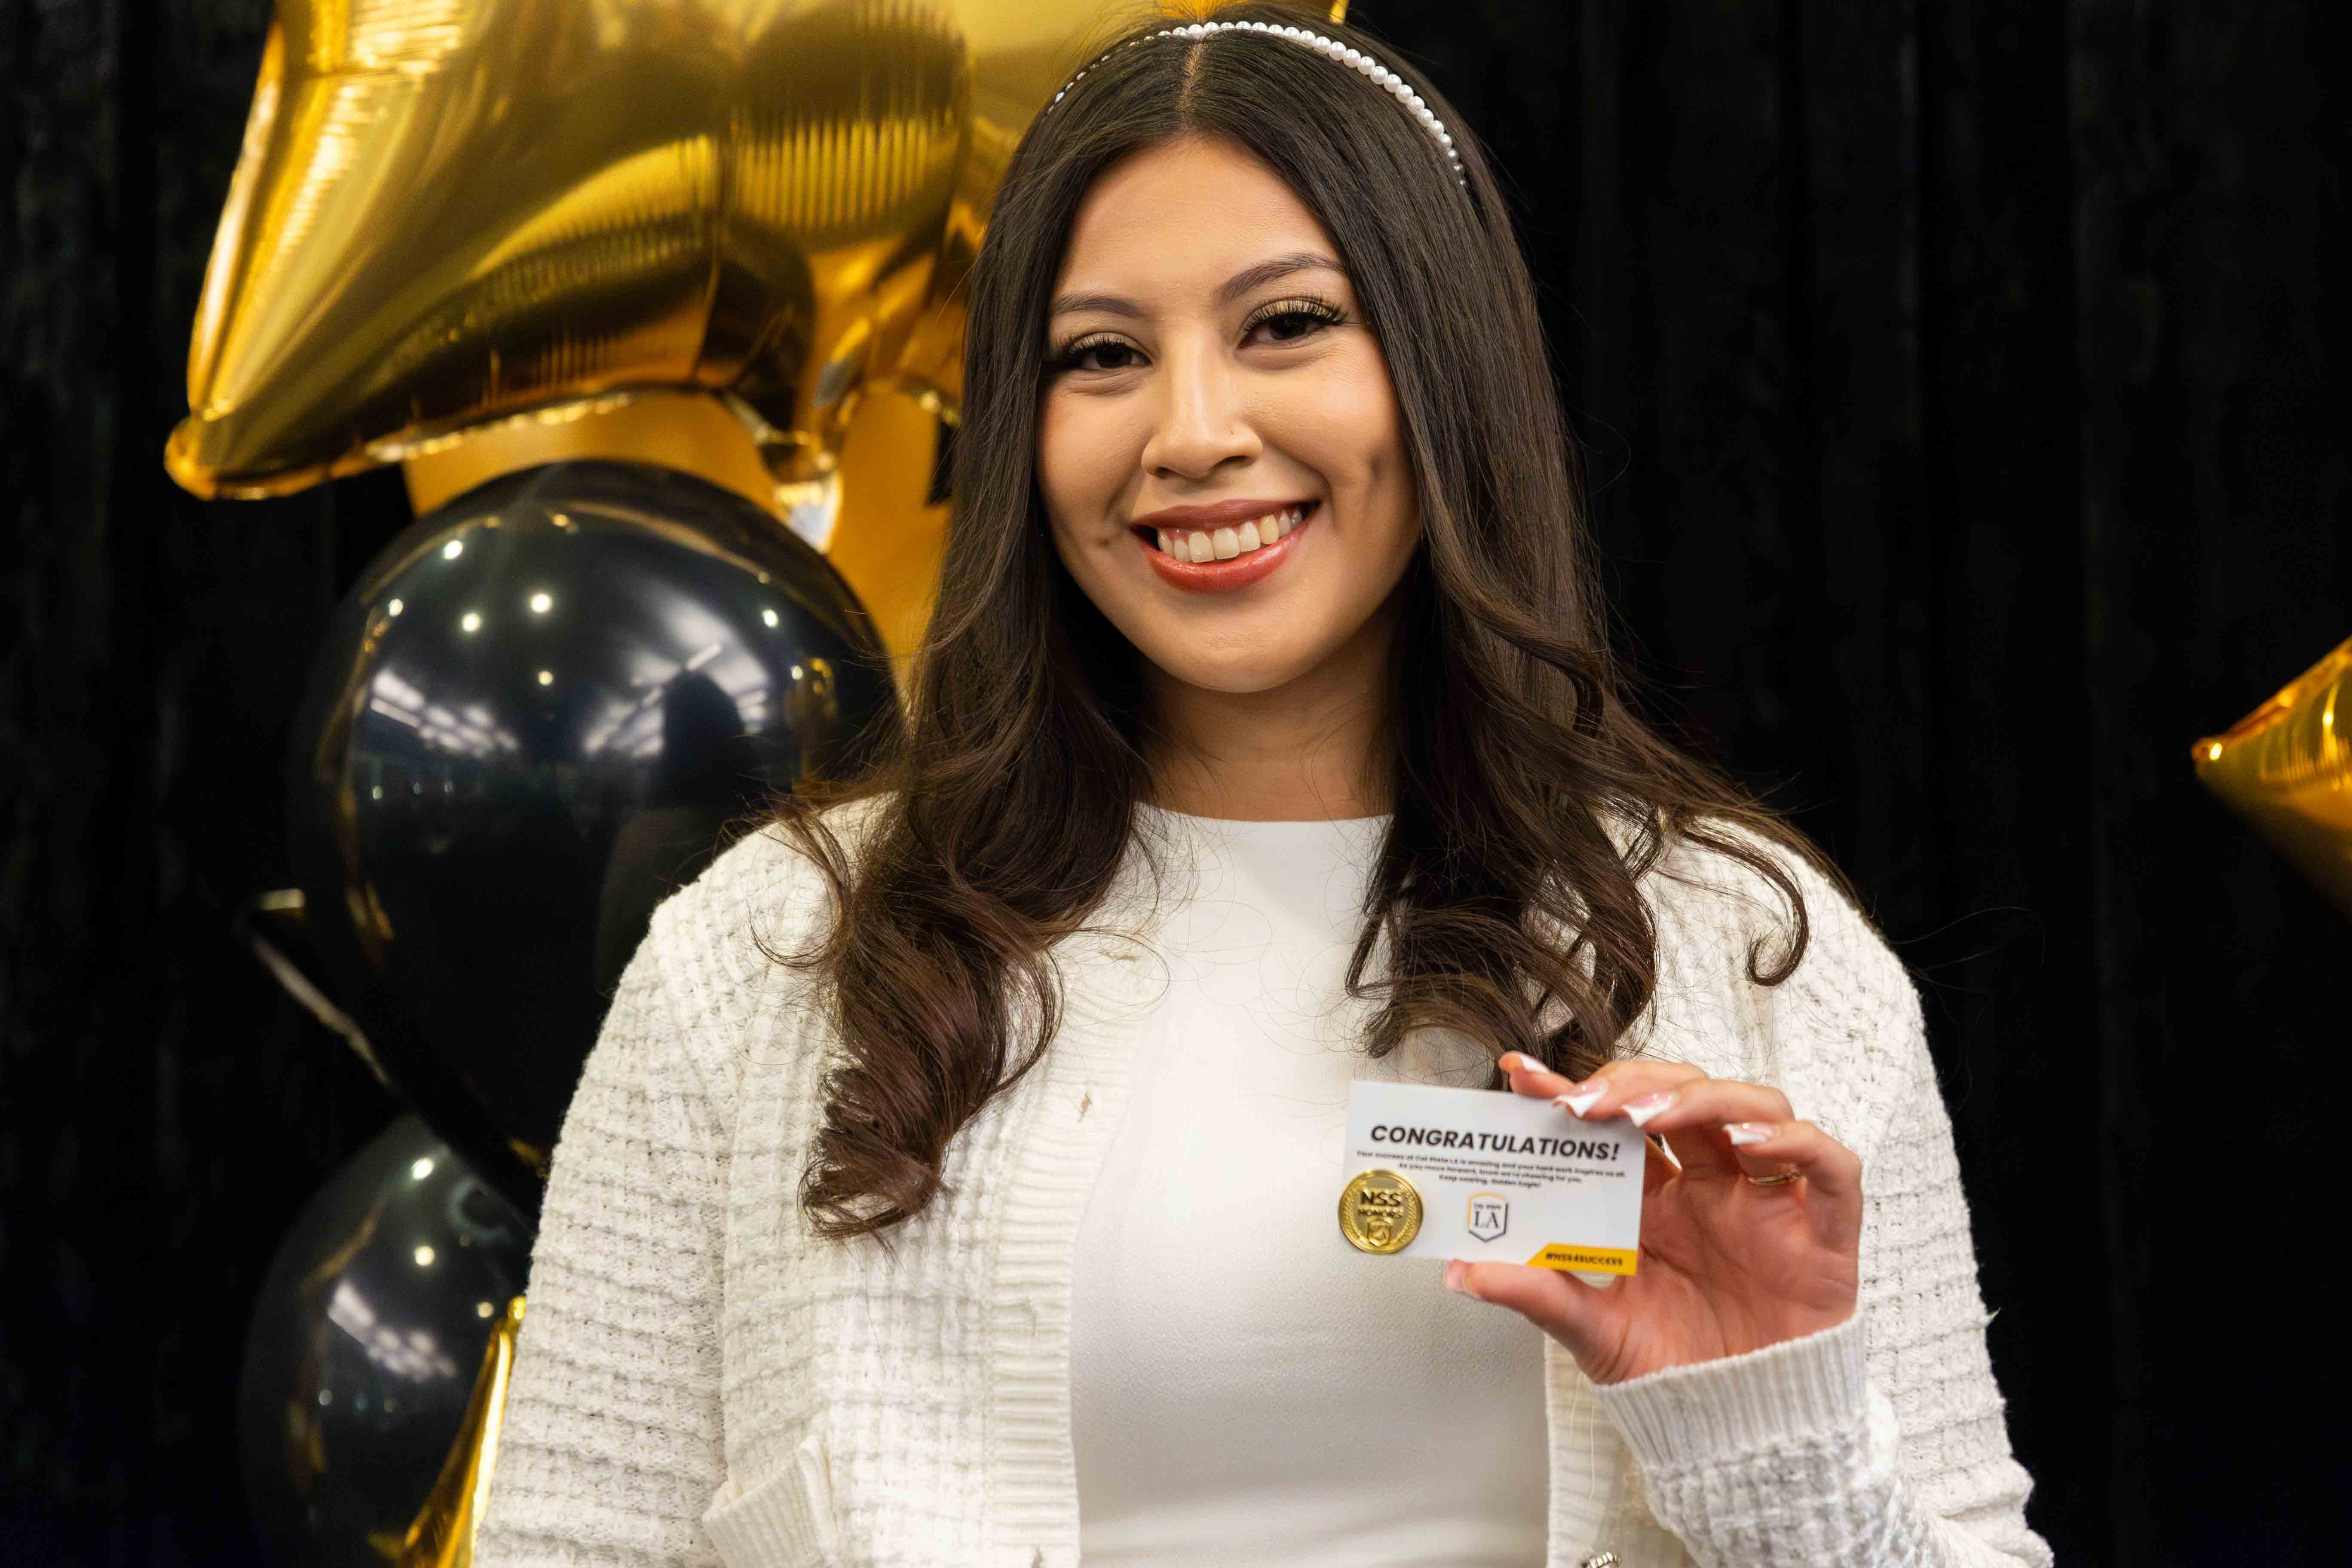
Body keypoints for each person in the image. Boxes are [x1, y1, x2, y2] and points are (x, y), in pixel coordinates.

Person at [472, 7, 2050, 1565]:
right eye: (1101, 357)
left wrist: (1768, 1437)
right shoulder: (767, 961)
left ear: (1445, 367)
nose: (1194, 432)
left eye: (1285, 324)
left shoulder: (1750, 957)